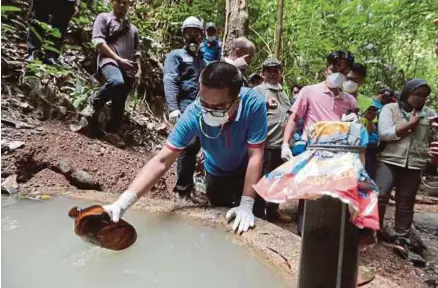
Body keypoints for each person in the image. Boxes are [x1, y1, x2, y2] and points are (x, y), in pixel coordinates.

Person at [103, 62, 268, 234]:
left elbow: (256, 155)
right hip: (216, 173)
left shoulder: (253, 105)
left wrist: (247, 204)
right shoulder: (194, 113)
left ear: (237, 100)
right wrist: (122, 203)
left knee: (251, 221)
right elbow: (162, 160)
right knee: (221, 226)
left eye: (218, 107)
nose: (209, 111)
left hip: (248, 172)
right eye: (204, 103)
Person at [281, 50, 357, 235]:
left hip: (338, 153)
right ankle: (303, 232)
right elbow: (294, 118)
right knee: (309, 193)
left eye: (344, 70)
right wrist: (285, 143)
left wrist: (354, 122)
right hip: (313, 149)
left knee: (333, 194)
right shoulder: (309, 91)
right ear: (326, 70)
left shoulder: (350, 100)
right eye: (334, 68)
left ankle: (326, 234)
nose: (339, 73)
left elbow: (355, 129)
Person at [376, 78, 436, 259]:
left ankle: (401, 239)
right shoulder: (390, 109)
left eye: (424, 96)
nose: (420, 99)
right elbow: (385, 134)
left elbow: (433, 139)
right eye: (417, 94)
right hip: (389, 159)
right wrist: (410, 124)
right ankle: (373, 230)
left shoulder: (430, 113)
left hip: (415, 164)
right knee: (380, 195)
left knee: (406, 201)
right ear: (407, 93)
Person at [163, 16, 206, 199]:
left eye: (195, 33)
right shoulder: (176, 56)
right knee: (187, 145)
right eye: (189, 33)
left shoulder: (202, 61)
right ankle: (182, 190)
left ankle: (191, 185)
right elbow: (170, 80)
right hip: (183, 105)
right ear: (183, 35)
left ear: (201, 35)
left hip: (201, 107)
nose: (192, 37)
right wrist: (173, 107)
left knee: (197, 146)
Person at [87, 0, 142, 136]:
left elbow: (137, 51)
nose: (122, 5)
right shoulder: (104, 18)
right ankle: (93, 103)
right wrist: (118, 59)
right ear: (112, 2)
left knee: (119, 104)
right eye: (119, 2)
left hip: (127, 69)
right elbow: (98, 42)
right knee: (116, 82)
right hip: (108, 60)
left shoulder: (133, 29)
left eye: (125, 3)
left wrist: (139, 70)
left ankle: (111, 134)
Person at [253, 57, 292, 223]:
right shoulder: (258, 90)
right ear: (263, 73)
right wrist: (265, 103)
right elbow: (250, 109)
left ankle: (274, 210)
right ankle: (259, 212)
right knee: (263, 179)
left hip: (282, 145)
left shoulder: (284, 93)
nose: (273, 73)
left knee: (280, 179)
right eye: (269, 70)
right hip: (266, 144)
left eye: (276, 70)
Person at [360, 104, 380, 179]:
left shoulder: (371, 122)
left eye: (373, 112)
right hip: (363, 147)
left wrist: (370, 119)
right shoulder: (360, 119)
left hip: (372, 147)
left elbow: (371, 131)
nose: (371, 114)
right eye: (370, 112)